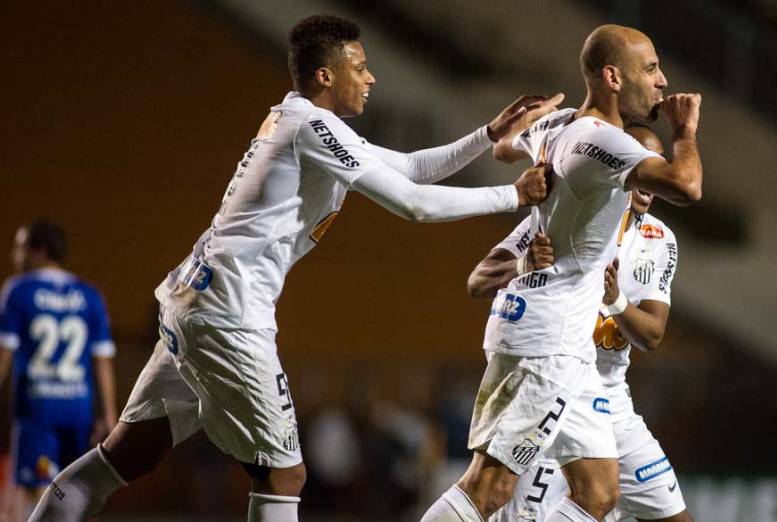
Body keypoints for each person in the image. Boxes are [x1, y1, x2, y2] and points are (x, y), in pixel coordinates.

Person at [29, 14, 559, 522]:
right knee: (284, 478)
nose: (371, 77)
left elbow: (413, 167)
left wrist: (488, 134)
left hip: (194, 301)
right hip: (229, 317)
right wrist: (511, 196)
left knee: (126, 455)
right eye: (360, 67)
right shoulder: (313, 127)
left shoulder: (308, 123)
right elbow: (413, 203)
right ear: (326, 75)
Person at [419, 24, 702, 522]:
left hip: (565, 344)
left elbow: (507, 147)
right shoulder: (601, 142)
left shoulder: (563, 125)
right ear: (613, 77)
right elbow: (686, 184)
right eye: (651, 69)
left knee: (599, 494)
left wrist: (527, 127)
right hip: (546, 337)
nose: (662, 82)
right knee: (490, 487)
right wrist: (685, 131)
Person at [478, 126, 694, 522]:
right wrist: (523, 264)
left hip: (611, 398)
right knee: (514, 505)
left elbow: (652, 335)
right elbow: (478, 279)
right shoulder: (566, 217)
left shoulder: (659, 239)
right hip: (553, 383)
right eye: (640, 171)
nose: (648, 183)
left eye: (657, 168)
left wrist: (615, 301)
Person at [0, 221, 117, 520]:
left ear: (39, 251)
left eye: (21, 247)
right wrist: (109, 415)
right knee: (75, 492)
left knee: (36, 493)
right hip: (78, 410)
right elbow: (102, 360)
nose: (16, 255)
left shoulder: (19, 290)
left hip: (38, 410)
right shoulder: (89, 295)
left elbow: (4, 354)